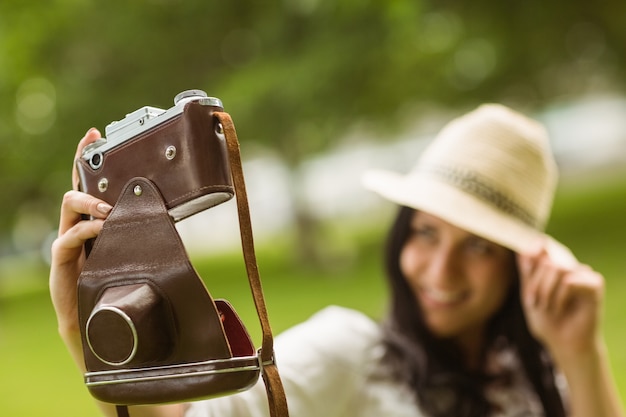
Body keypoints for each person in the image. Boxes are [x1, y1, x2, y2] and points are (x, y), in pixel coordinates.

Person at [50, 104, 625, 417]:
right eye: (426, 232)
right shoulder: (349, 354)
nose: (441, 270)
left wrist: (581, 352)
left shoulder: (536, 382)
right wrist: (91, 338)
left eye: (478, 245)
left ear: (520, 265)